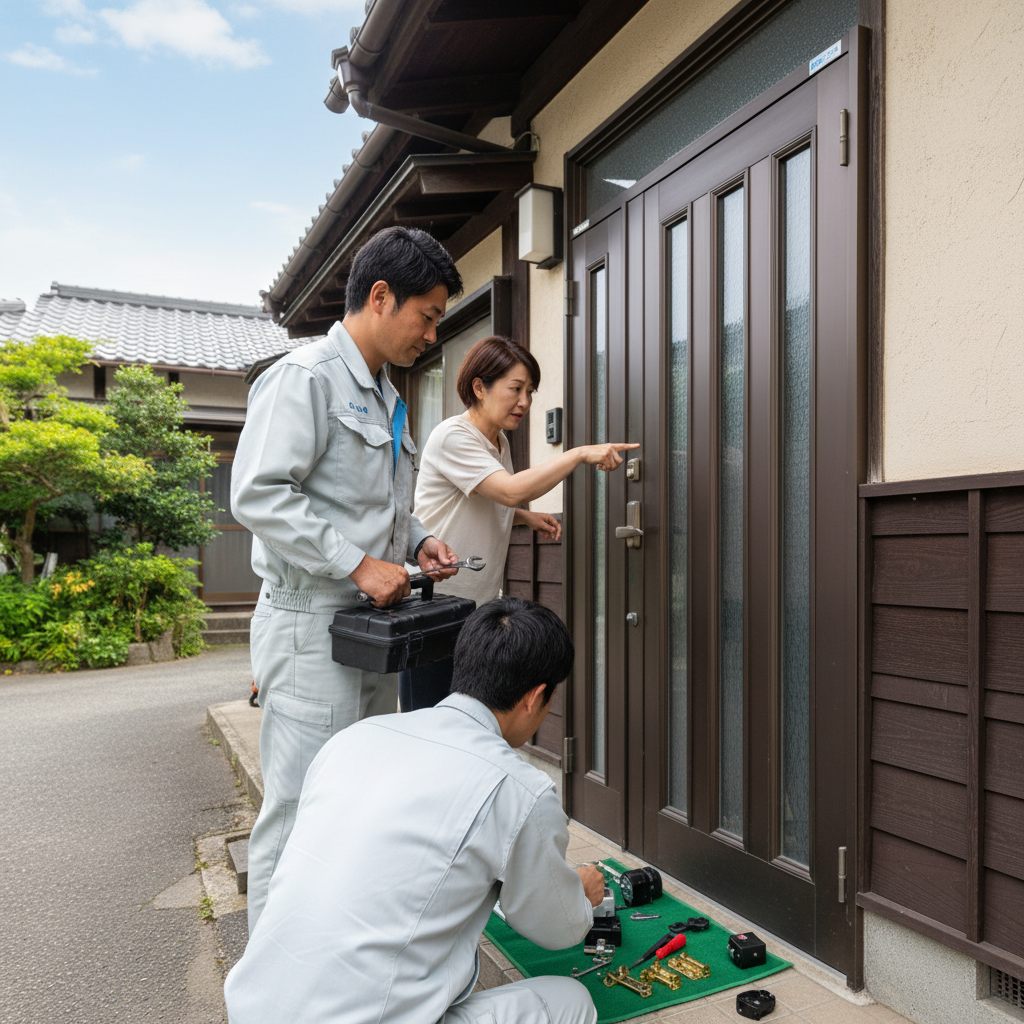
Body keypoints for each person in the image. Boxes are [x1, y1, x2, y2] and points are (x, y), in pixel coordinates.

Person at [231, 226, 464, 931]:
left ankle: (330, 957)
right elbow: (258, 494)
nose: (432, 335)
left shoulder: (387, 395)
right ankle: (271, 981)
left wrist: (418, 541)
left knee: (357, 801)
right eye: (427, 316)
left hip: (369, 629)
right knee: (300, 808)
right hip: (309, 625)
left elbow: (374, 504)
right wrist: (359, 564)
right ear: (381, 296)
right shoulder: (305, 378)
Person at [224, 597, 605, 1024]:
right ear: (535, 698)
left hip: (253, 1008)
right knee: (572, 1001)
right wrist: (580, 893)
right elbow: (557, 928)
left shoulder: (354, 738)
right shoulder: (519, 787)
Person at [400, 334, 638, 710]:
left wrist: (525, 517)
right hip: (433, 607)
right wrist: (578, 454)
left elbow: (485, 499)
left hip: (474, 608)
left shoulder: (499, 442)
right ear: (479, 387)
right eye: (516, 388)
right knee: (429, 723)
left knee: (470, 718)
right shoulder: (453, 436)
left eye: (530, 391)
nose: (525, 401)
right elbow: (509, 491)